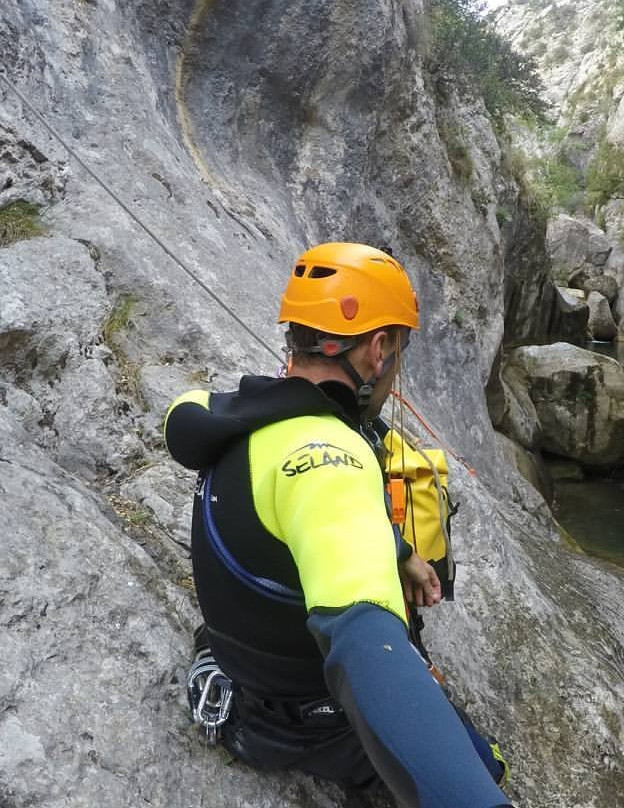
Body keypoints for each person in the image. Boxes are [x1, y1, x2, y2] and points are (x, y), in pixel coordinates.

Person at [164, 242, 511, 807]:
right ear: (377, 350)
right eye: (398, 351)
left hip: (238, 677)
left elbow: (298, 521)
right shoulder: (332, 457)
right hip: (296, 725)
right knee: (485, 764)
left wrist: (395, 550)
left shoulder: (238, 418)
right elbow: (364, 647)